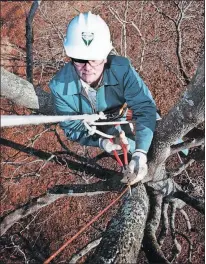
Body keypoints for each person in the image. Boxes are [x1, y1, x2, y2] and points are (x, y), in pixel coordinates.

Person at [49, 11, 158, 185]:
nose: (87, 67)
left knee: (156, 136)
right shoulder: (59, 87)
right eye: (79, 59)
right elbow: (72, 127)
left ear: (106, 56)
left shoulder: (122, 70)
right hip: (101, 128)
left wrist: (141, 153)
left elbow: (144, 107)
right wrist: (101, 141)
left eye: (94, 59)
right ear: (70, 57)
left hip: (124, 112)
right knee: (126, 152)